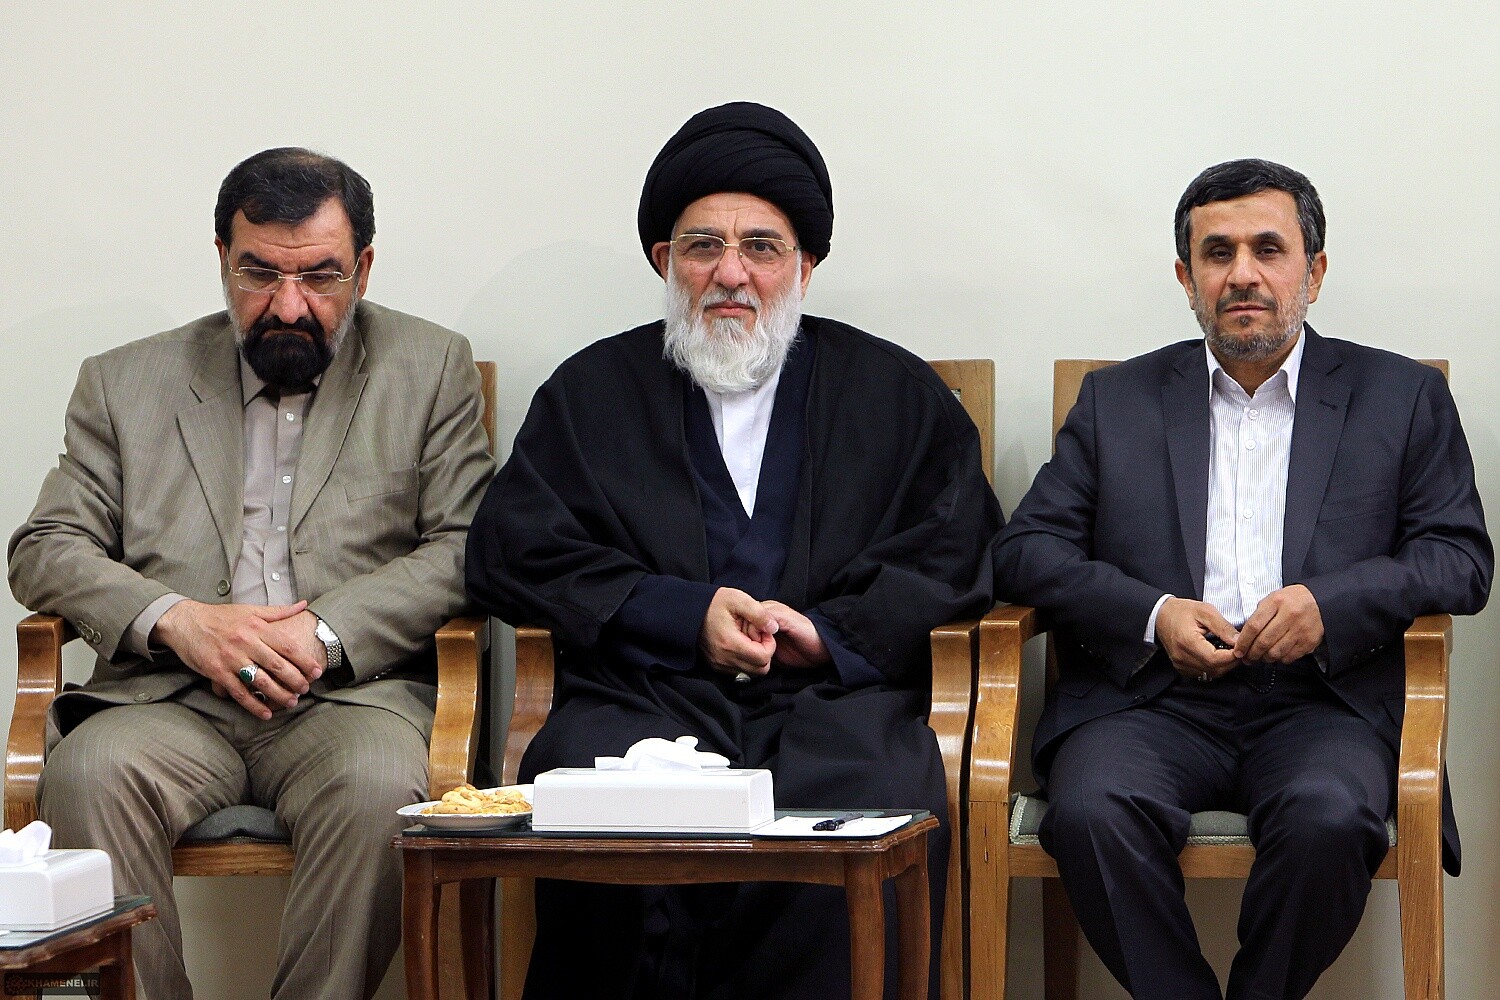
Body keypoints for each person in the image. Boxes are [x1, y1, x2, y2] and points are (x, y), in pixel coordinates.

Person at [466, 102, 1002, 999]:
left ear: (805, 266)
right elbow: (512, 549)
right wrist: (684, 616)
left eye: (761, 247)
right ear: (663, 260)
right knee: (603, 794)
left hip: (834, 701)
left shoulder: (894, 392)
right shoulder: (590, 393)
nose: (731, 273)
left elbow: (957, 549)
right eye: (703, 246)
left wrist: (829, 634)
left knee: (865, 801)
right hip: (644, 690)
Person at [993, 158, 1492, 1000]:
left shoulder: (1400, 396)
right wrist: (1154, 613)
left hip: (1324, 704)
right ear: (1186, 278)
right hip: (1151, 703)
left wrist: (1329, 604)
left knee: (1330, 817)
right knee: (1091, 811)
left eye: (1269, 248)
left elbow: (1460, 557)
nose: (1243, 274)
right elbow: (1025, 551)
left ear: (1314, 272)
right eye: (1217, 253)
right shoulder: (1117, 401)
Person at [8, 147, 495, 1000]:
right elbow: (45, 545)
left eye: (320, 277)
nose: (289, 305)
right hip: (168, 702)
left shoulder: (429, 369)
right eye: (260, 273)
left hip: (349, 701)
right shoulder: (125, 382)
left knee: (381, 786)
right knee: (86, 771)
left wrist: (325, 632)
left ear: (364, 269)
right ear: (222, 259)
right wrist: (179, 620)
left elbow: (466, 545)